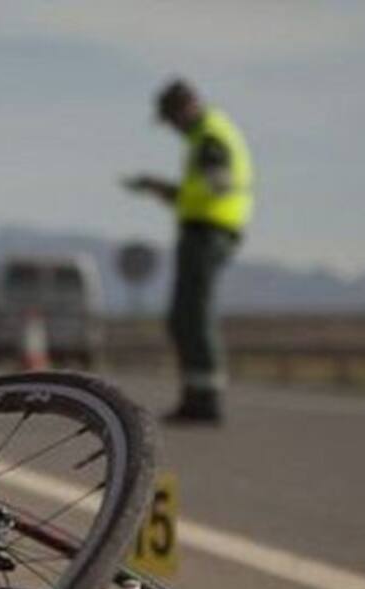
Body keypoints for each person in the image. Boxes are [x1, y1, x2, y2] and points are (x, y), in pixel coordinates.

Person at [124, 79, 253, 424]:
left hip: (208, 232)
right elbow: (200, 191)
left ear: (185, 108)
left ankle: (205, 401)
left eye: (171, 118)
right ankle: (197, 397)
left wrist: (169, 191)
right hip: (205, 229)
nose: (172, 127)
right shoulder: (205, 136)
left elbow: (217, 187)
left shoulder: (210, 136)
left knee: (193, 316)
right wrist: (160, 188)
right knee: (186, 316)